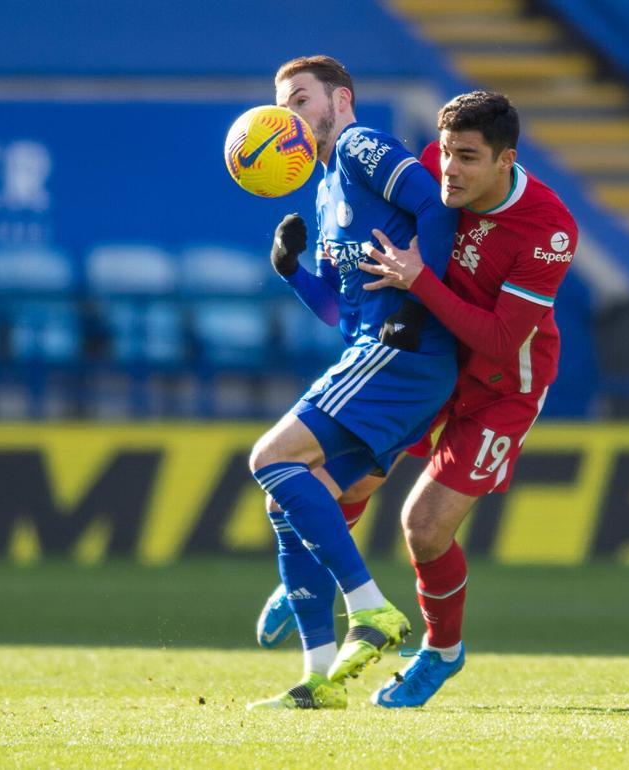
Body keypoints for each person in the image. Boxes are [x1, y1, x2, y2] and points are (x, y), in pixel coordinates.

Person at [257, 90, 578, 708]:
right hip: (429, 362)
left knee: (424, 529)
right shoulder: (430, 174)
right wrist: (308, 273)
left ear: (506, 160)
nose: (450, 169)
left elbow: (501, 337)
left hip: (499, 386)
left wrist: (419, 284)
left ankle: (440, 653)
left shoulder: (548, 227)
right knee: (340, 486)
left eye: (468, 158)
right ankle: (313, 582)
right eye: (447, 152)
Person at [246, 55, 459, 710]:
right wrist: (294, 274)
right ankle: (317, 682)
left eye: (302, 100)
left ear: (341, 100)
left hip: (405, 351)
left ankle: (368, 610)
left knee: (269, 459)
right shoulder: (326, 184)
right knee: (286, 501)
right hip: (380, 350)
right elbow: (345, 312)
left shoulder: (364, 147)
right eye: (284, 107)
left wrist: (424, 296)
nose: (293, 117)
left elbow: (436, 204)